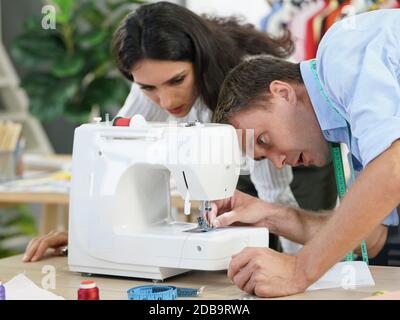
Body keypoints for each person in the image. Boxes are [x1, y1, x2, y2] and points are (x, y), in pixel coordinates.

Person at [22, 2, 336, 262]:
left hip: (293, 160)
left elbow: (275, 194)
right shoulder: (150, 78)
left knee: (299, 241)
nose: (167, 101)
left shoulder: (247, 90)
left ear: (199, 60)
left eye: (176, 81)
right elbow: (109, 153)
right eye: (148, 88)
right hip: (230, 171)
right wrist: (82, 236)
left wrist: (302, 268)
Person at [211, 9, 400, 297]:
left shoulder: (340, 53)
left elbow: (394, 170)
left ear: (283, 93)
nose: (278, 162)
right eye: (262, 157)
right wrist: (271, 216)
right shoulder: (356, 135)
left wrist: (299, 271)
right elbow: (375, 239)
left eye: (264, 139)